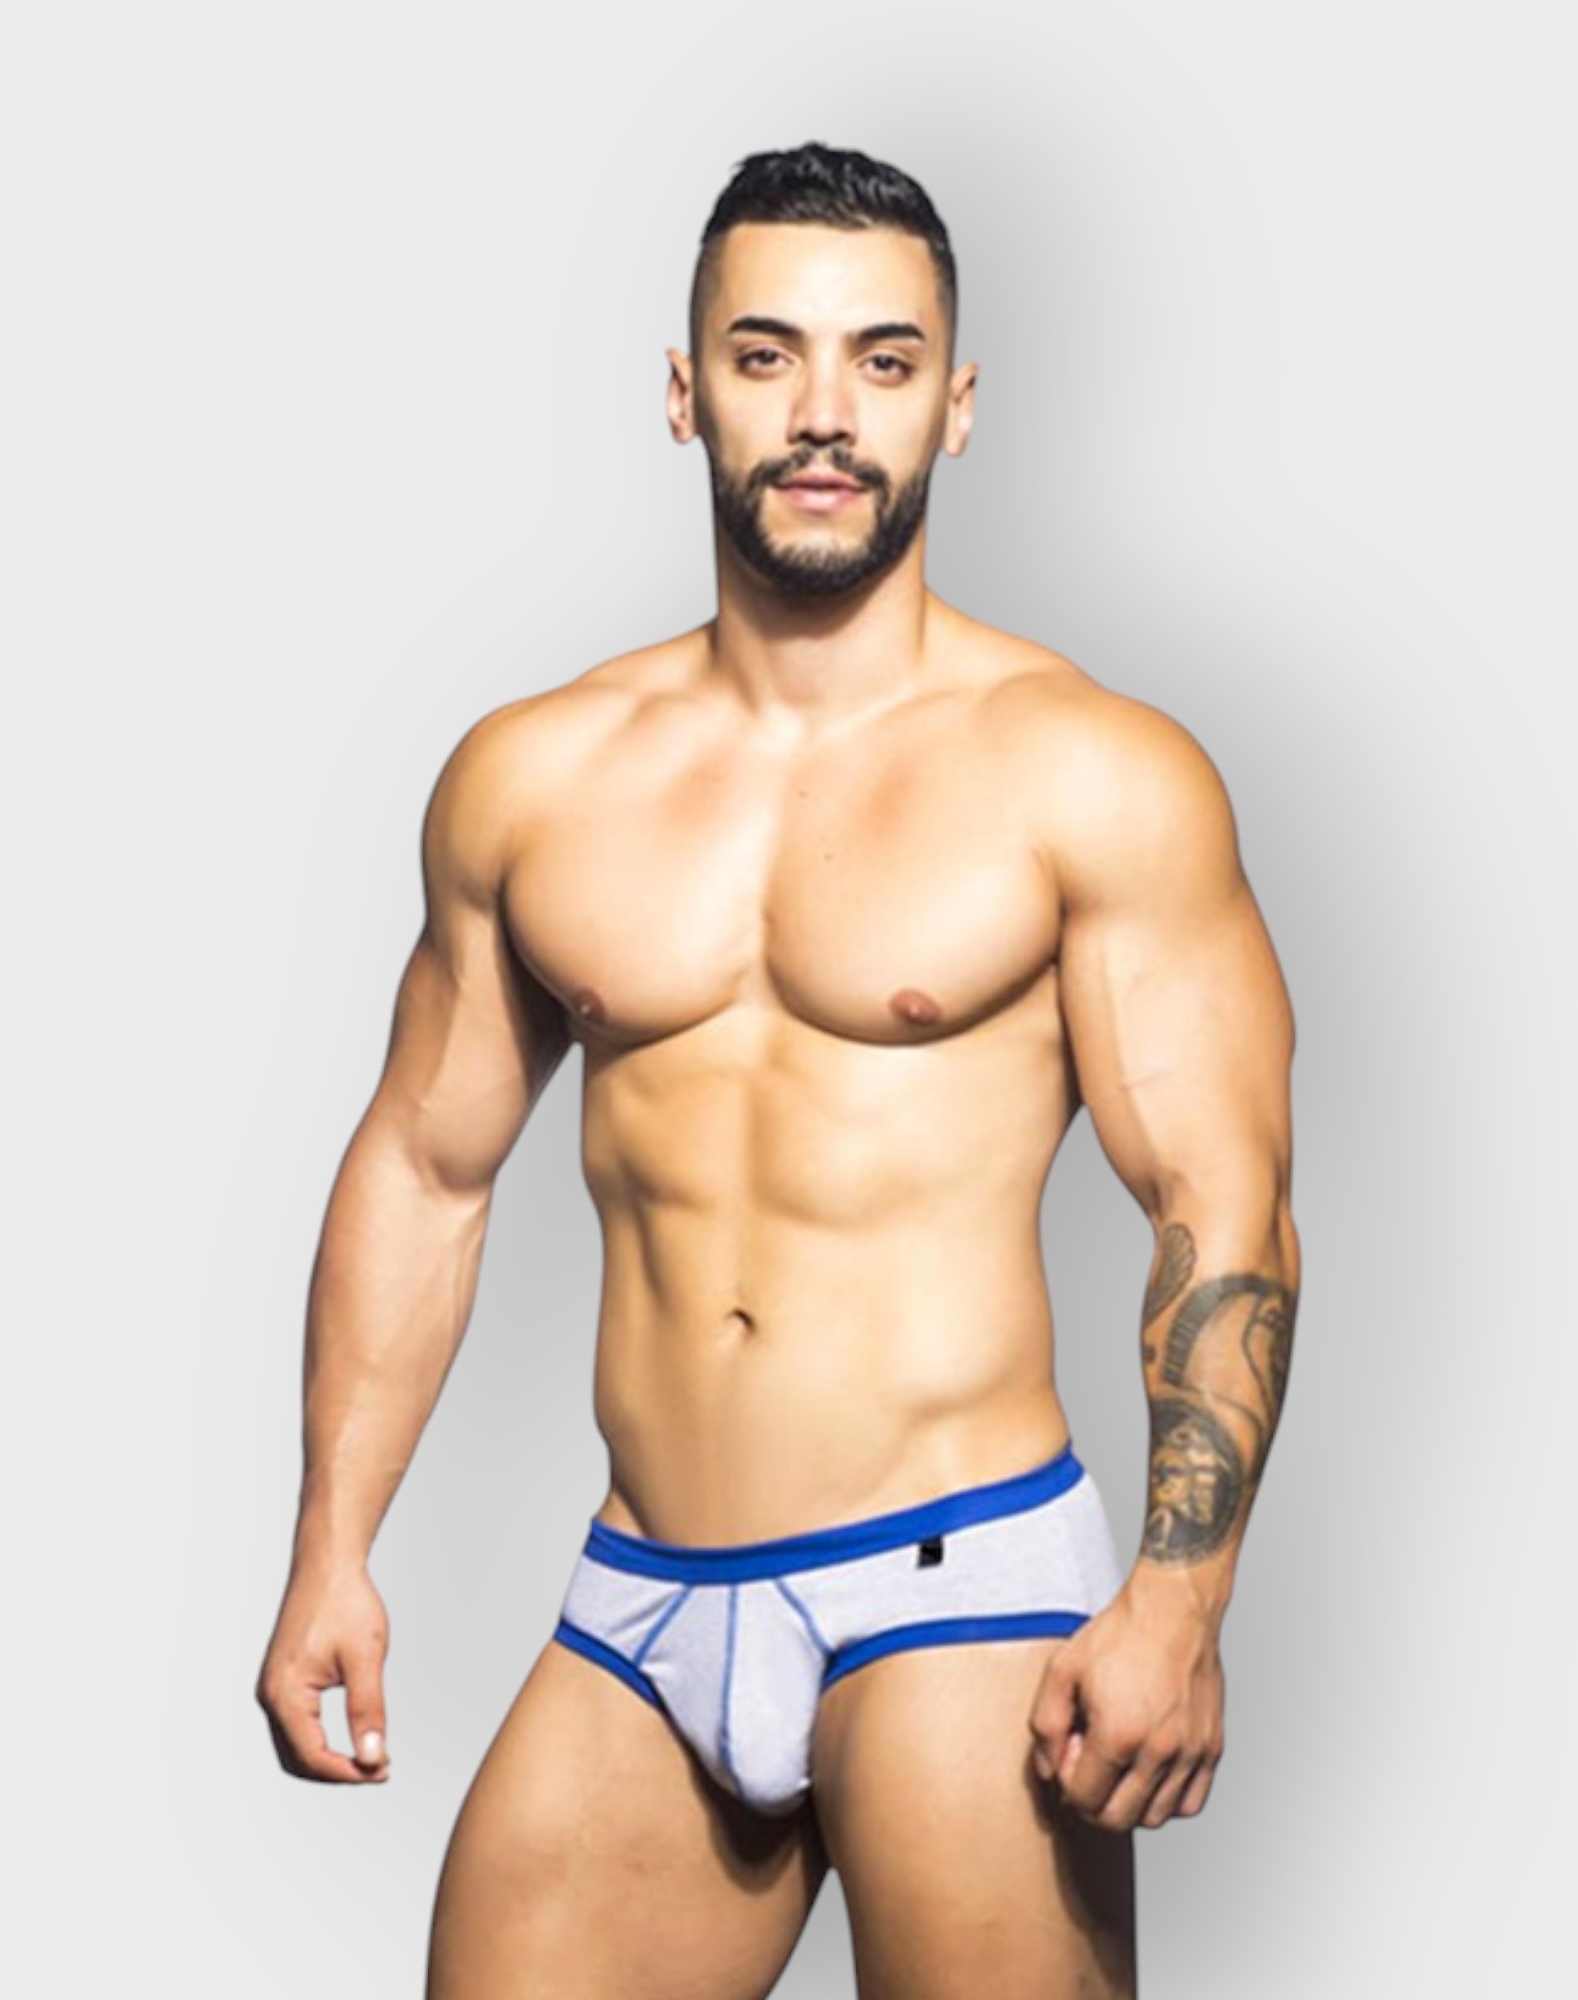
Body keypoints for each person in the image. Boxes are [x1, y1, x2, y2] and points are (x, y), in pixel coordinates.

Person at [255, 140, 1300, 1999]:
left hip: (960, 1577)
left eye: (884, 362)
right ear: (686, 391)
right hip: (646, 1591)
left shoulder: (1089, 771)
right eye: (768, 355)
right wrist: (330, 1546)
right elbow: (426, 1165)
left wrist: (1181, 1594)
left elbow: (1220, 1201)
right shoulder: (536, 775)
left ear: (955, 405)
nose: (826, 413)